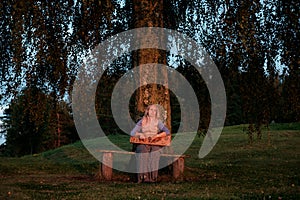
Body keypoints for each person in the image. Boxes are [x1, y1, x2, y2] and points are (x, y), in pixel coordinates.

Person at [130, 104, 170, 183]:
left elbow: (167, 131)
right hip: (143, 142)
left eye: (154, 110)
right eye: (151, 110)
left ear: (156, 112)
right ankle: (142, 177)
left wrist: (157, 135)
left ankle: (152, 178)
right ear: (147, 111)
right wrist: (140, 134)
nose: (152, 112)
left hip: (155, 142)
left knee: (155, 153)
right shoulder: (142, 121)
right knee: (142, 152)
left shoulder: (158, 122)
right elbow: (132, 133)